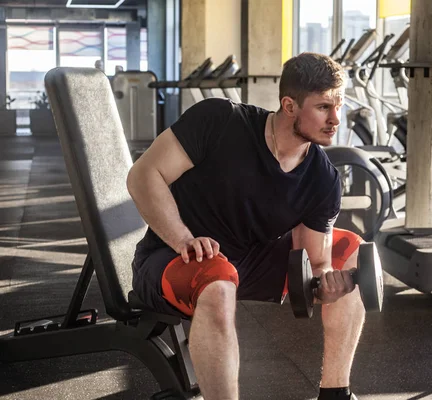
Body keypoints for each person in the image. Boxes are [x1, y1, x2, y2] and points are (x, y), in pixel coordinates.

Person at [127, 52, 366, 400]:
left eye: (338, 106)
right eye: (323, 108)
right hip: (172, 259)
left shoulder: (322, 178)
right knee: (218, 281)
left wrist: (326, 282)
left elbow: (314, 263)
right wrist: (183, 238)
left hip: (247, 263)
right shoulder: (220, 120)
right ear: (289, 105)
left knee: (352, 250)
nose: (336, 120)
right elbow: (143, 175)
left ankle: (335, 393)